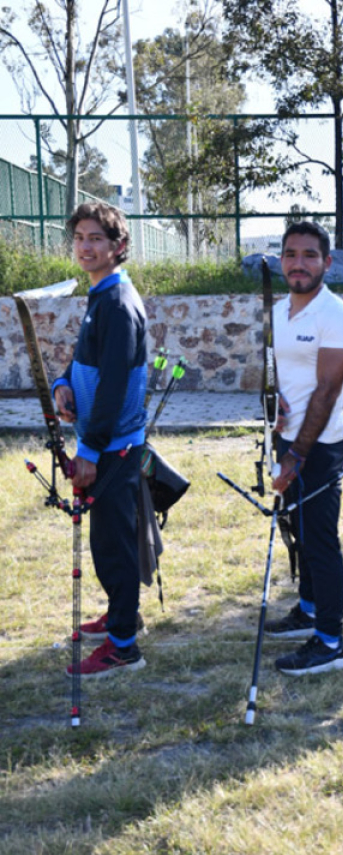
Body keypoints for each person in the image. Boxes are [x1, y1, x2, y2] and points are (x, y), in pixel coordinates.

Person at [53, 202, 148, 678]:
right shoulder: (100, 296)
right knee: (108, 539)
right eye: (80, 238)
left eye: (96, 239)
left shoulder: (117, 302)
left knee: (114, 544)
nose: (86, 247)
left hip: (113, 447)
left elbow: (112, 384)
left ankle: (124, 646)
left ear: (118, 247)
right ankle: (120, 616)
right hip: (104, 442)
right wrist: (62, 384)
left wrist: (89, 450)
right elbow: (83, 359)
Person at [264, 221, 343, 675]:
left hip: (318, 447)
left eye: (309, 255)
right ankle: (307, 608)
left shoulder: (335, 314)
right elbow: (279, 373)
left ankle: (332, 642)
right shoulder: (281, 310)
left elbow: (325, 392)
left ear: (327, 262)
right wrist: (274, 404)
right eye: (290, 254)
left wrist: (296, 454)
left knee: (320, 542)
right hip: (288, 439)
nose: (298, 263)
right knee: (297, 531)